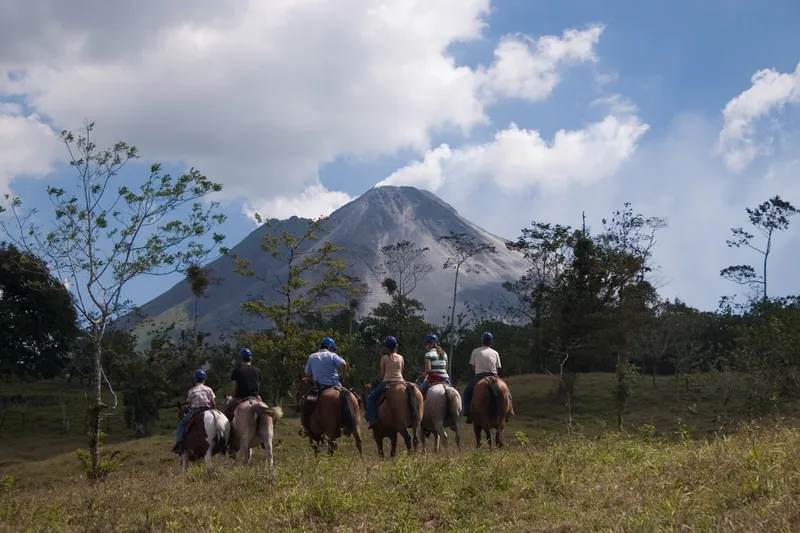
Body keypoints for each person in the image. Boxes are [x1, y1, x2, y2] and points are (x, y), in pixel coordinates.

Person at [462, 332, 514, 424]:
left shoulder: (475, 351)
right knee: (507, 391)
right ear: (491, 342)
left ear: (482, 341)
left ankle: (467, 412)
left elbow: (473, 368)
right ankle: (510, 411)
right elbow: (498, 368)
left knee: (467, 391)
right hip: (494, 375)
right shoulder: (495, 353)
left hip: (479, 376)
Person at [366, 336, 406, 429]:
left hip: (387, 382)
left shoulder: (384, 358)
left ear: (386, 347)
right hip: (401, 381)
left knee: (371, 397)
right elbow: (401, 371)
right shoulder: (401, 357)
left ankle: (372, 419)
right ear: (396, 347)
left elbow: (382, 374)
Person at [173, 369, 216, 455]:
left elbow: (190, 405)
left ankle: (180, 444)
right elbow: (213, 402)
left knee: (181, 424)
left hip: (196, 411)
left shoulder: (191, 391)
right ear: (204, 379)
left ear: (195, 379)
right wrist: (213, 410)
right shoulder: (209, 389)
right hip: (208, 410)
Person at [225, 348, 262, 422]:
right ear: (251, 359)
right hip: (255, 396)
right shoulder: (258, 370)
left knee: (227, 410)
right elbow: (258, 385)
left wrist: (233, 395)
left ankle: (227, 429)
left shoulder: (237, 370)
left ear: (241, 359)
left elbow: (234, 388)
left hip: (240, 396)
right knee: (265, 409)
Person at [419, 333, 450, 397]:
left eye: (427, 343)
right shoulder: (444, 354)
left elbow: (428, 370)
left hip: (433, 379)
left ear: (432, 343)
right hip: (445, 379)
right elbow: (446, 368)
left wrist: (425, 374)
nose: (426, 346)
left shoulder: (428, 354)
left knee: (420, 394)